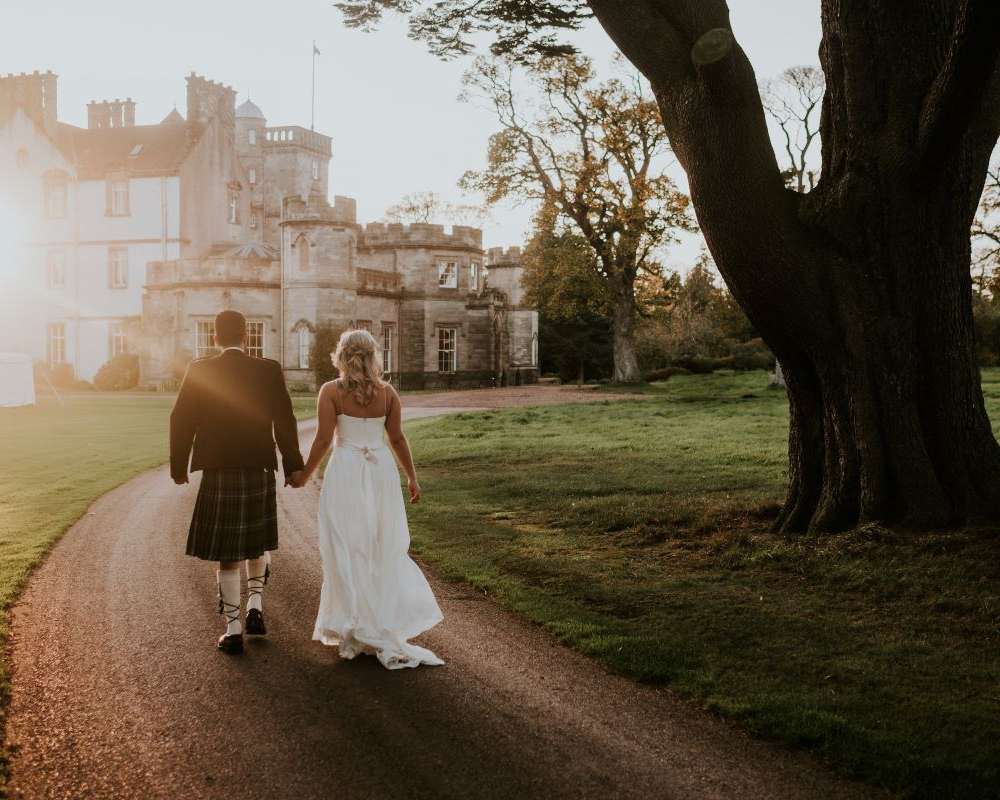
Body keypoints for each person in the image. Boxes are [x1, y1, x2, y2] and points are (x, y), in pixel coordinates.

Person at [292, 329, 444, 669]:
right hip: (380, 474)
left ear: (342, 355)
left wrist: (304, 475)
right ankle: (371, 622)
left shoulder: (331, 391)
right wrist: (411, 477)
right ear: (373, 356)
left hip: (346, 471)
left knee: (345, 545)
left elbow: (321, 442)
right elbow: (398, 439)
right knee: (378, 545)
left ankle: (355, 624)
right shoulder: (388, 393)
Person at [170, 310, 305, 654]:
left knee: (228, 553)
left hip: (218, 469)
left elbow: (180, 419)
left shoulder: (200, 369)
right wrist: (292, 465)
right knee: (256, 542)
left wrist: (178, 466)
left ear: (215, 338)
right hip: (258, 466)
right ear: (246, 337)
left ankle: (232, 630)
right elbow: (285, 419)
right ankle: (255, 606)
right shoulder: (268, 369)